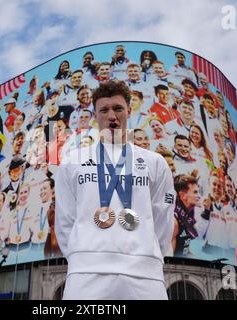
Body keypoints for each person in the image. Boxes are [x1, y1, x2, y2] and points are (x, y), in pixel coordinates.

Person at [55, 80, 175, 300]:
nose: (112, 115)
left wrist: (145, 250)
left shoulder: (155, 162)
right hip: (86, 272)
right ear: (95, 115)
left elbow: (163, 219)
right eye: (104, 110)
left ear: (129, 111)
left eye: (118, 108)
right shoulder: (72, 161)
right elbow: (65, 221)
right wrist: (81, 254)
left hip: (145, 274)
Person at [172, 174, 201, 257]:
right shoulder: (174, 223)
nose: (199, 196)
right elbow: (169, 258)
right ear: (183, 195)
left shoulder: (188, 215)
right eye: (195, 192)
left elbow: (184, 250)